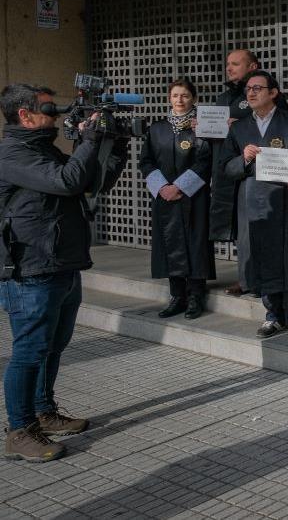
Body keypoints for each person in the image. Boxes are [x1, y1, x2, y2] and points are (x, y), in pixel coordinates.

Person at [0, 83, 128, 462]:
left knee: (53, 346)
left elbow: (89, 184)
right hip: (31, 270)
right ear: (24, 115)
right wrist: (88, 140)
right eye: (46, 109)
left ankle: (43, 411)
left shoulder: (41, 148)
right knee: (29, 352)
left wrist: (112, 145)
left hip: (62, 263)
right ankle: (19, 430)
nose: (54, 115)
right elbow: (66, 181)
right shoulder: (12, 153)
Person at [218, 70, 288, 340]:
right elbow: (225, 166)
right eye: (248, 89)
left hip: (287, 198)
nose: (251, 93)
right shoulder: (239, 128)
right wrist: (244, 159)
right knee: (263, 255)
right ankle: (273, 314)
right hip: (255, 200)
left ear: (273, 93)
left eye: (258, 88)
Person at [138, 77, 215, 320]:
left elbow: (206, 160)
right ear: (169, 98)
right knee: (169, 242)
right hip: (164, 197)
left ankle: (195, 295)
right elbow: (146, 161)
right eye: (175, 96)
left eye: (185, 95)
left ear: (194, 98)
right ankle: (177, 295)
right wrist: (162, 187)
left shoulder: (201, 127)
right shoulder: (156, 128)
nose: (179, 100)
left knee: (195, 243)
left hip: (193, 196)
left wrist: (180, 186)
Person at [209, 48, 258, 296]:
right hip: (229, 170)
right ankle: (246, 277)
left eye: (236, 64)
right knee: (240, 230)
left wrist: (241, 125)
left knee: (256, 228)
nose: (229, 68)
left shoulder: (263, 93)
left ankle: (260, 278)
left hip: (255, 171)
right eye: (228, 64)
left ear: (252, 66)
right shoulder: (223, 98)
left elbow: (270, 124)